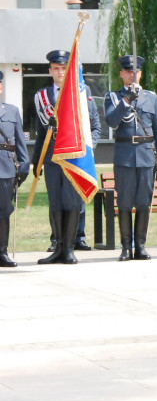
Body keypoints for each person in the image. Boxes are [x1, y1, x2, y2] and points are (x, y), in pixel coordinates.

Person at [34, 49, 101, 264]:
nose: (60, 72)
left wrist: (88, 149)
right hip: (53, 159)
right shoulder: (43, 96)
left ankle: (70, 248)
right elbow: (41, 133)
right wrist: (36, 162)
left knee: (72, 202)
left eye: (64, 68)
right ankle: (58, 248)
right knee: (55, 203)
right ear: (50, 70)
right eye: (56, 68)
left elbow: (92, 125)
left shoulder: (81, 92)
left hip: (74, 157)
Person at [103, 56, 157, 261]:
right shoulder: (113, 97)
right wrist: (127, 100)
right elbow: (112, 122)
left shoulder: (151, 97)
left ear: (140, 74)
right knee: (124, 202)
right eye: (128, 71)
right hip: (125, 155)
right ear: (121, 73)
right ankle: (125, 247)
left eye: (136, 72)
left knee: (143, 202)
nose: (132, 75)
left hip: (147, 154)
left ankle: (140, 246)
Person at [0, 70, 30, 268]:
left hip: (5, 168)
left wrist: (24, 166)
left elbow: (19, 141)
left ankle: (1, 252)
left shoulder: (11, 111)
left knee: (3, 211)